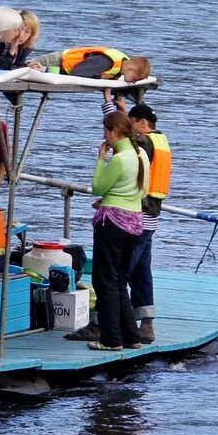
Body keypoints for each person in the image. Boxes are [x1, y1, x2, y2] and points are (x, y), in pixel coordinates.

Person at [80, 109, 145, 351]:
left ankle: (111, 339)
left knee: (104, 280)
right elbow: (141, 191)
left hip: (113, 223)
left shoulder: (118, 159)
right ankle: (132, 336)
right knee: (119, 280)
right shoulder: (141, 156)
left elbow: (97, 186)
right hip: (134, 221)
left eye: (105, 131)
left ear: (114, 131)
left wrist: (100, 159)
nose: (104, 136)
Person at [125, 103, 171, 345]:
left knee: (120, 271)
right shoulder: (162, 140)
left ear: (142, 123)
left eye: (131, 123)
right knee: (142, 271)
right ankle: (146, 323)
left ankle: (108, 321)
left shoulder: (145, 143)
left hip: (139, 214)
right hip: (154, 214)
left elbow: (127, 152)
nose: (130, 129)